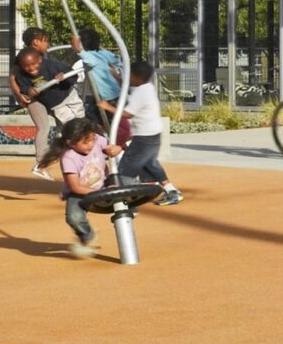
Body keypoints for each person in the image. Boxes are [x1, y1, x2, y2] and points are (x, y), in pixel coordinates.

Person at [12, 43, 88, 177]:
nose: (31, 69)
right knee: (73, 126)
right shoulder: (23, 75)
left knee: (82, 120)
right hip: (57, 105)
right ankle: (72, 152)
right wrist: (28, 90)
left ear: (40, 60)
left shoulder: (50, 65)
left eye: (34, 64)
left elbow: (71, 73)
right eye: (26, 66)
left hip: (70, 95)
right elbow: (23, 86)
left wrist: (62, 76)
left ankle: (73, 145)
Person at [55, 116, 121, 259]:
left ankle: (131, 207)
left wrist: (115, 149)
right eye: (86, 143)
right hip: (80, 192)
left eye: (92, 140)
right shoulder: (68, 157)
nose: (91, 144)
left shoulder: (96, 139)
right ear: (70, 143)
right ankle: (87, 235)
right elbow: (75, 186)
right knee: (73, 217)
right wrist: (100, 193)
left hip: (104, 183)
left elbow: (111, 146)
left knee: (124, 179)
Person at [118, 59, 182, 206]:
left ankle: (131, 198)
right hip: (153, 134)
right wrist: (117, 77)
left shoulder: (140, 93)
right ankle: (172, 191)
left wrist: (107, 107)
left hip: (144, 137)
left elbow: (127, 114)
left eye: (130, 75)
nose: (128, 78)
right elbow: (129, 89)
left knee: (126, 168)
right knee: (150, 164)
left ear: (137, 78)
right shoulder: (147, 87)